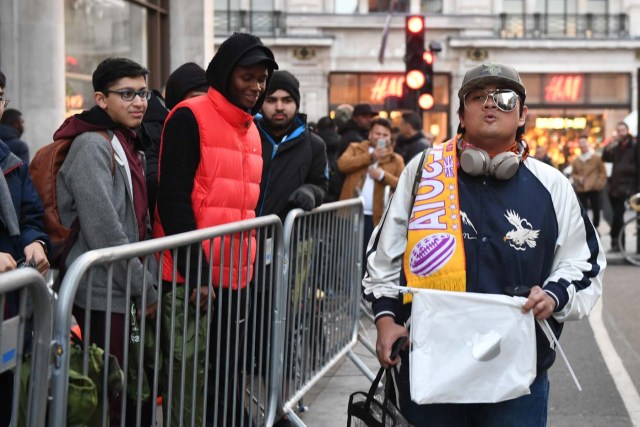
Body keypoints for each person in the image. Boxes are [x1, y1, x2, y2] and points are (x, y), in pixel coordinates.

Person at [362, 62, 605, 426]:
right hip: (429, 367)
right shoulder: (425, 172)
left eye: (505, 98)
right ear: (461, 113)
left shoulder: (552, 185)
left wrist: (553, 294)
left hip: (517, 379)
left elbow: (583, 263)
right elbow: (385, 257)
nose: (491, 104)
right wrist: (385, 318)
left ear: (523, 114)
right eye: (478, 97)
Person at [154, 32, 278, 426]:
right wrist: (198, 274)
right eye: (247, 77)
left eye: (262, 78)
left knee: (225, 375)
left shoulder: (253, 131)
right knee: (190, 384)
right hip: (194, 280)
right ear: (226, 74)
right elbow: (174, 201)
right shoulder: (190, 116)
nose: (256, 87)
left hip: (237, 278)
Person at [53, 57, 158, 425]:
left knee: (126, 389)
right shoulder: (91, 146)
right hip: (97, 291)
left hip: (120, 288)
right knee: (106, 391)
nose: (139, 102)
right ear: (101, 99)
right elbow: (104, 231)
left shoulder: (126, 141)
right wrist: (143, 287)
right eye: (126, 94)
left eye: (142, 93)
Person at [0, 69, 50, 427]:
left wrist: (34, 240)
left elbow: (31, 212)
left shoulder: (9, 158)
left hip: (9, 305)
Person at [141, 62, 208, 226]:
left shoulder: (203, 126)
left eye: (206, 100)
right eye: (195, 98)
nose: (201, 105)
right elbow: (155, 182)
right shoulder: (151, 128)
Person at [255, 69, 328, 219]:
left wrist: (310, 191)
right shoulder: (247, 136)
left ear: (297, 104)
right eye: (271, 100)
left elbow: (321, 186)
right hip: (242, 235)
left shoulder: (315, 145)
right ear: (261, 103)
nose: (279, 107)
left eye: (287, 100)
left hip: (286, 236)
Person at [337, 117, 404, 267]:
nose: (381, 137)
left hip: (377, 218)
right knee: (346, 256)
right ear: (369, 135)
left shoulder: (395, 159)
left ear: (390, 138)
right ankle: (347, 289)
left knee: (370, 258)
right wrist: (370, 157)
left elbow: (403, 184)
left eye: (385, 135)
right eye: (377, 133)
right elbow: (342, 164)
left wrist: (382, 176)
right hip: (350, 213)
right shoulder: (355, 148)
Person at [602, 121, 638, 251]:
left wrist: (626, 169)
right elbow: (605, 158)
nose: (620, 133)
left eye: (622, 130)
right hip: (614, 187)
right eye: (618, 131)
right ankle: (617, 244)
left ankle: (616, 242)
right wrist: (609, 146)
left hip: (627, 187)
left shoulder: (634, 146)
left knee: (618, 215)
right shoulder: (616, 147)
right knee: (615, 216)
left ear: (627, 131)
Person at [571, 135, 607, 229]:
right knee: (582, 210)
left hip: (594, 188)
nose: (582, 145)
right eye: (580, 143)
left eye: (584, 142)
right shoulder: (576, 160)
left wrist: (598, 184)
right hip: (581, 188)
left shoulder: (596, 157)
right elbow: (573, 174)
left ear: (587, 143)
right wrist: (578, 178)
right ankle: (585, 228)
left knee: (596, 210)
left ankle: (595, 227)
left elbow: (602, 172)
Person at [317, 116, 343, 202]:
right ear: (335, 128)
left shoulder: (313, 142)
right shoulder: (342, 142)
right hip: (337, 188)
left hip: (318, 190)